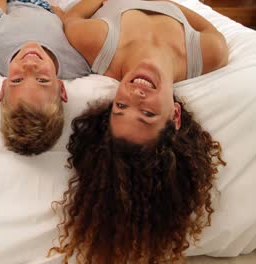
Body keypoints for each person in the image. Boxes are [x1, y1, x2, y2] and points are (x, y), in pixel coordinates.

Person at [50, 0, 228, 263]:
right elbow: (213, 30)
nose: (135, 95)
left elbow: (70, 18)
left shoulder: (98, 44)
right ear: (176, 116)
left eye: (120, 106)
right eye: (147, 114)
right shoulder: (210, 53)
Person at [0, 0, 91, 155]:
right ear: (61, 89)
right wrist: (63, 16)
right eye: (42, 80)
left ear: (3, 88)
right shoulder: (79, 62)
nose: (30, 66)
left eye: (17, 80)